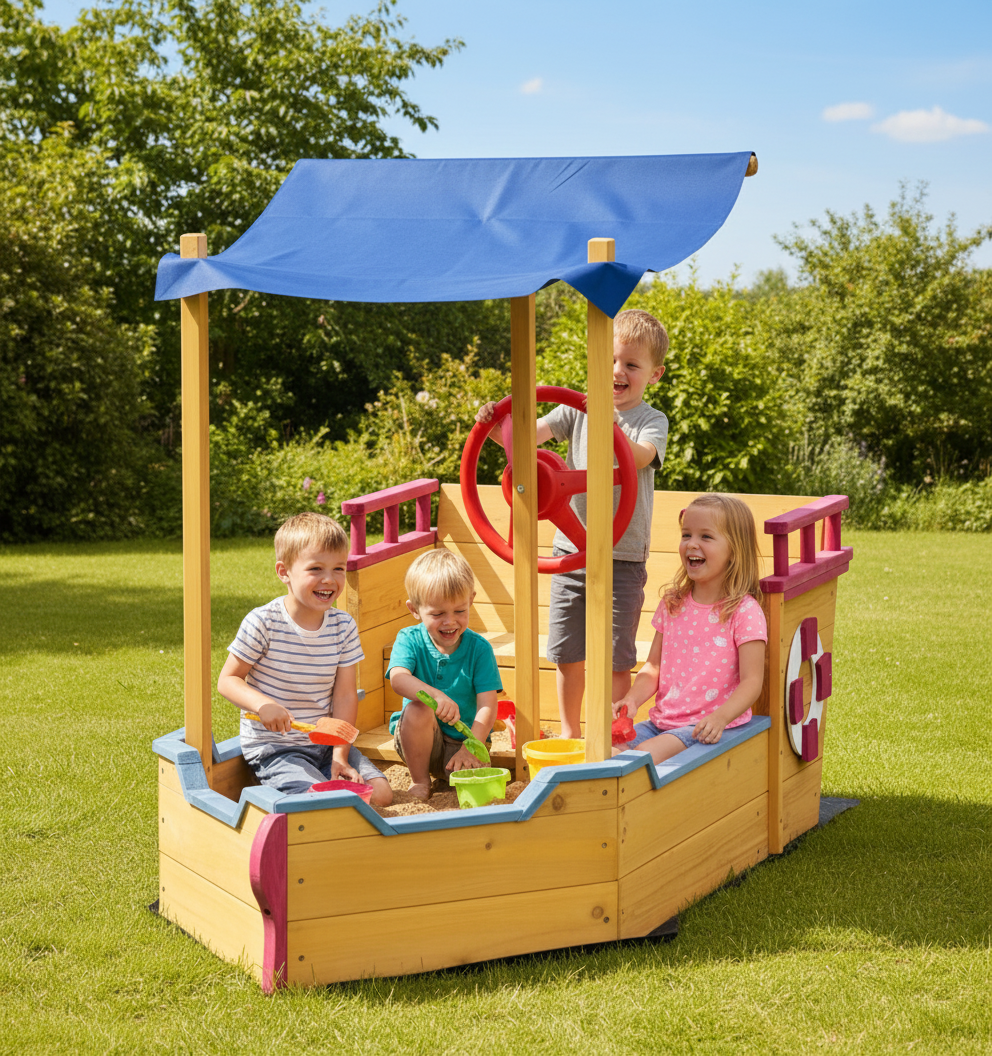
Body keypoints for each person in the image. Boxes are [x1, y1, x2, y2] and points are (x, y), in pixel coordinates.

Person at [475, 308, 670, 737]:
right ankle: (570, 732)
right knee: (567, 651)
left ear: (653, 375)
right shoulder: (575, 411)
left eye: (631, 365)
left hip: (622, 556)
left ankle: (610, 730)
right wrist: (496, 424)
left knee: (617, 657)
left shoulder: (651, 421)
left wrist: (608, 428)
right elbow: (526, 440)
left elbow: (639, 456)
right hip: (571, 555)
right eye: (610, 360)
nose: (617, 371)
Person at [217, 512, 392, 805]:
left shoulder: (343, 626)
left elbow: (346, 696)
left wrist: (340, 754)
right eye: (316, 568)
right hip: (276, 747)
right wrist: (263, 705)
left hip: (325, 745)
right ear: (284, 572)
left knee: (381, 794)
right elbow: (228, 680)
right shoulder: (264, 622)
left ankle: (319, 779)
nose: (329, 579)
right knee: (322, 802)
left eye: (339, 568)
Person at [612, 494, 767, 764]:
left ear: (734, 550)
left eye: (706, 537)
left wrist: (720, 718)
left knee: (638, 760)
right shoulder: (673, 602)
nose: (692, 544)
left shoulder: (744, 611)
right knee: (603, 750)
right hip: (659, 723)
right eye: (686, 535)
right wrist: (633, 699)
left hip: (699, 729)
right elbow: (653, 668)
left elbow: (752, 682)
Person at [387, 549, 502, 802]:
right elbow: (398, 678)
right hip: (417, 744)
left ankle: (464, 763)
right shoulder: (409, 639)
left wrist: (472, 748)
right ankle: (419, 780)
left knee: (478, 781)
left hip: (467, 743)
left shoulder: (479, 649)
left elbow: (487, 705)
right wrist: (435, 695)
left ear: (471, 600)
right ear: (415, 609)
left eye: (460, 611)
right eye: (438, 614)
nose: (450, 622)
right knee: (418, 707)